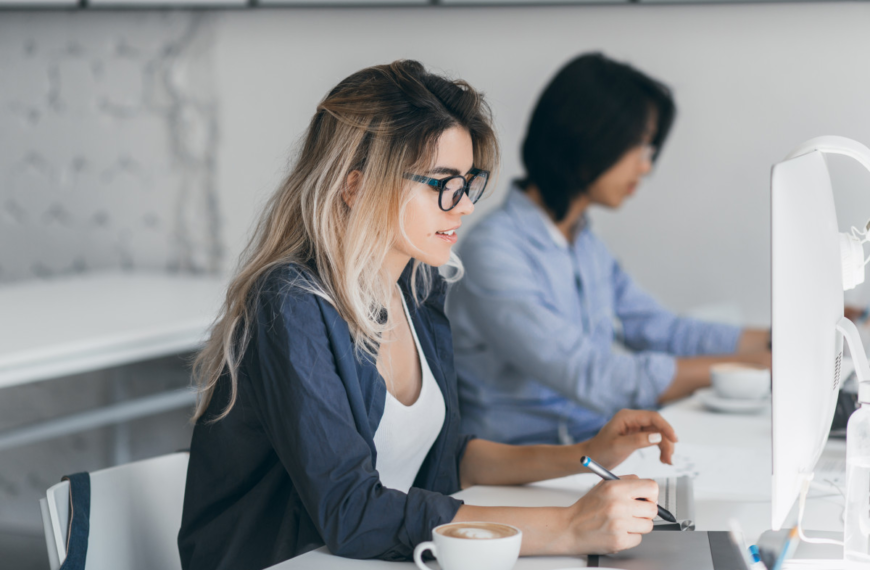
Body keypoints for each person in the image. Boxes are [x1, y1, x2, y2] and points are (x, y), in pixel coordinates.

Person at [177, 60, 679, 570]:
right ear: (355, 187)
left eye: (467, 182)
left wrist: (585, 455)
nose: (461, 206)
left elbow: (443, 457)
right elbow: (352, 512)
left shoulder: (418, 289)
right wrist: (569, 526)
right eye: (442, 182)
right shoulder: (290, 303)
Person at [446, 52, 772, 446]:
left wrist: (785, 338)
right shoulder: (493, 253)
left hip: (594, 451)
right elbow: (593, 376)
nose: (646, 167)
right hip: (526, 471)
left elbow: (663, 331)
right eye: (638, 146)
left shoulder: (584, 242)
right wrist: (752, 367)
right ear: (588, 137)